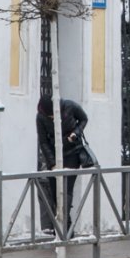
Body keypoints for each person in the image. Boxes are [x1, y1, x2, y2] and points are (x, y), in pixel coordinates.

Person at [37, 96, 91, 235]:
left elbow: (84, 118)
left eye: (54, 115)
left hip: (72, 152)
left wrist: (76, 133)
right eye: (49, 116)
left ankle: (64, 229)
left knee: (66, 189)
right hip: (54, 156)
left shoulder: (69, 106)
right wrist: (52, 163)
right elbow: (43, 142)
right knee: (55, 192)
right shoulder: (40, 117)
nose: (53, 118)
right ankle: (63, 225)